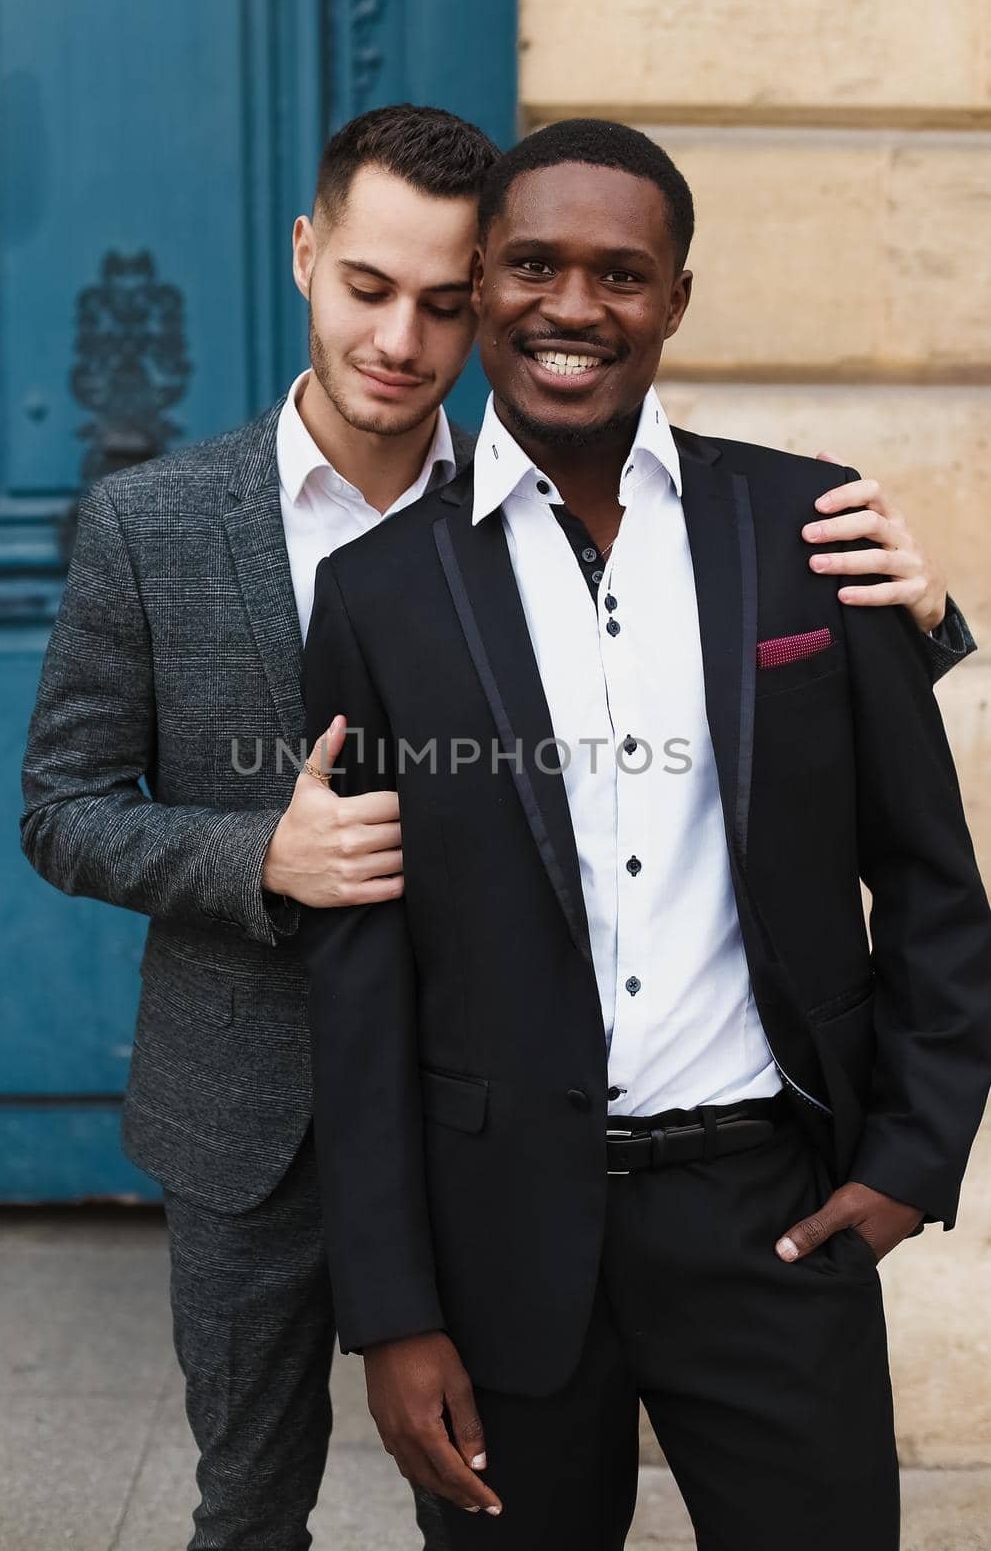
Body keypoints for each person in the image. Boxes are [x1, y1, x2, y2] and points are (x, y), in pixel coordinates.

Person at [298, 118, 991, 1551]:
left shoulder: (806, 527)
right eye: (535, 264)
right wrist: (395, 1313)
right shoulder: (377, 594)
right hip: (498, 1241)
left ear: (676, 299)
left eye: (622, 274)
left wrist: (913, 1162)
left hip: (771, 1214)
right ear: (482, 280)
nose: (572, 307)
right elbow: (360, 980)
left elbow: (930, 877)